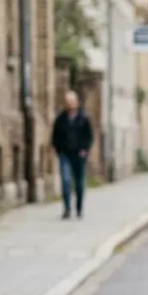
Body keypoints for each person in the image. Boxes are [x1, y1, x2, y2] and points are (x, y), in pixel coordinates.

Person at [50, 91, 94, 220]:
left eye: (71, 101)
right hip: (65, 154)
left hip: (79, 155)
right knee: (65, 181)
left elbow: (89, 136)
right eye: (67, 101)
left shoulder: (83, 118)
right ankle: (67, 208)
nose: (69, 104)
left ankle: (79, 208)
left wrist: (85, 150)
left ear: (76, 103)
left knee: (79, 183)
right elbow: (55, 135)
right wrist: (58, 150)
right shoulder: (61, 119)